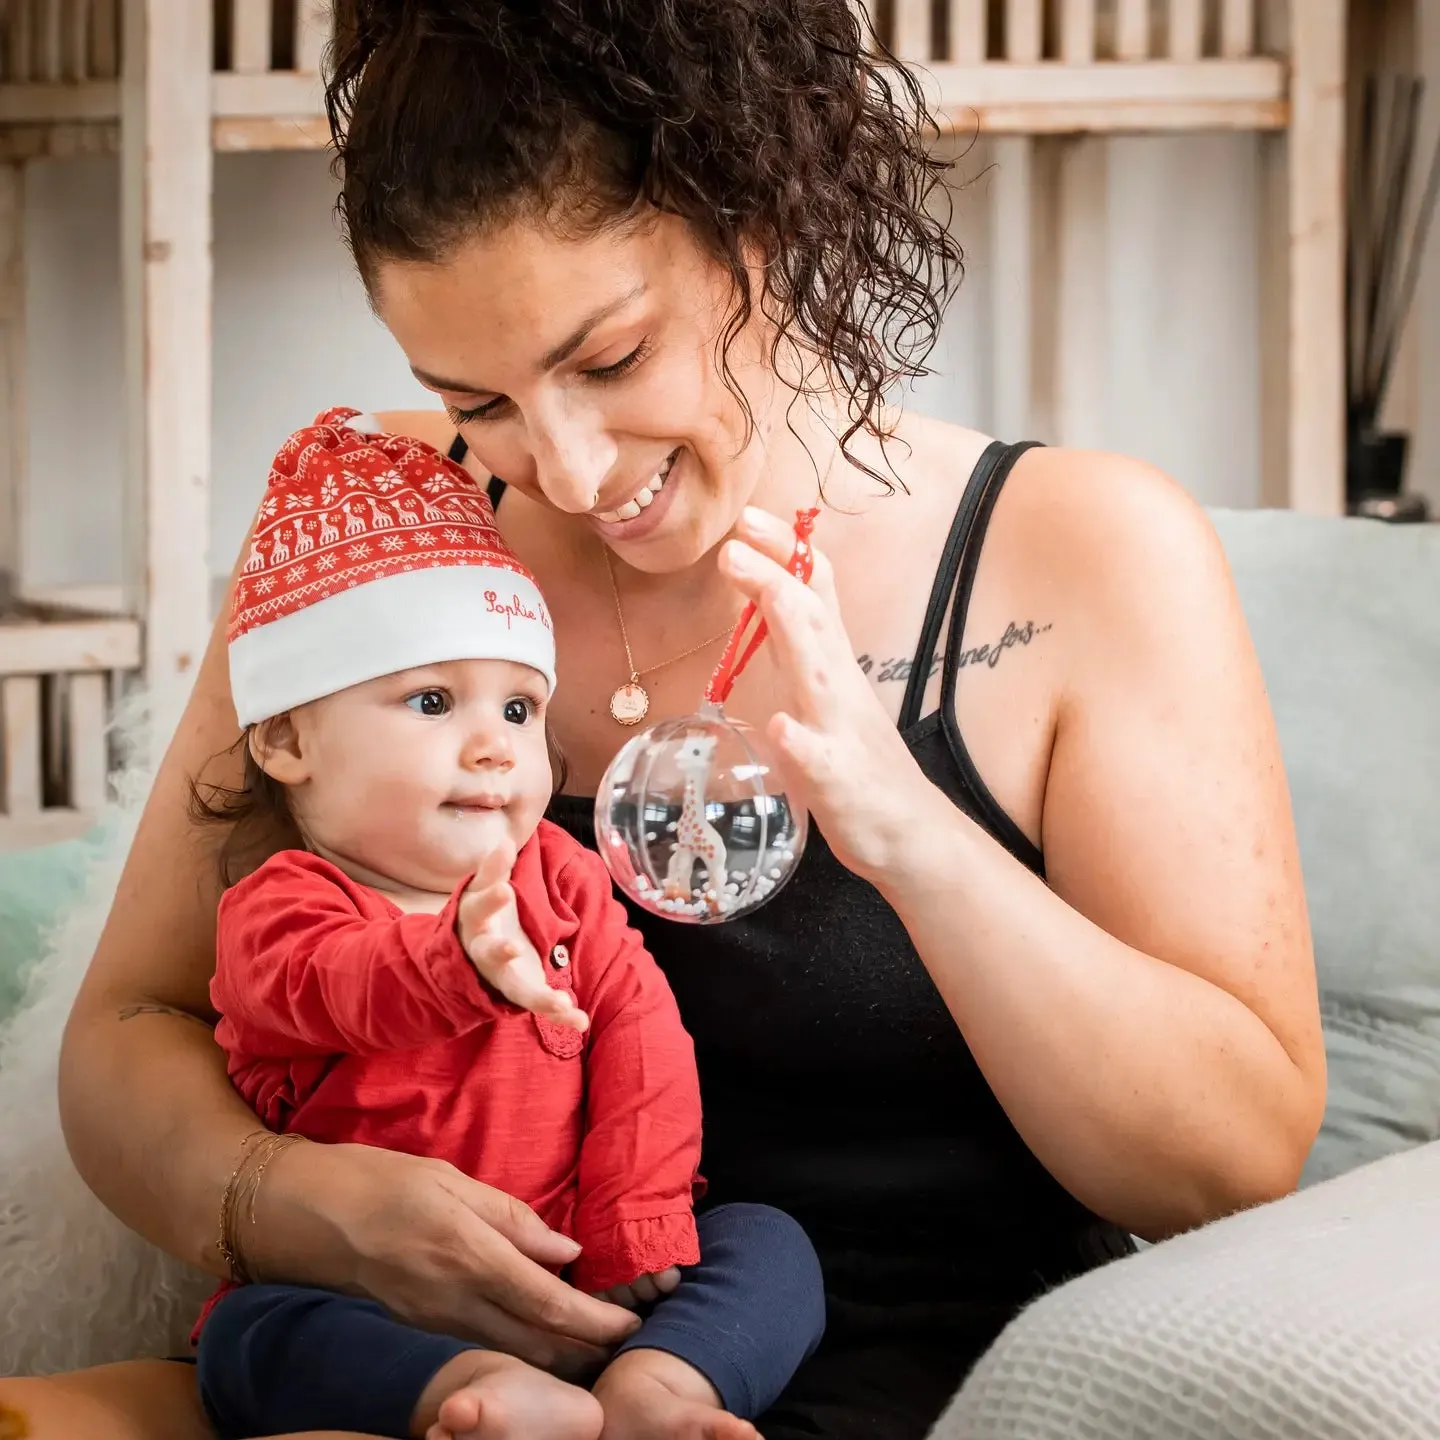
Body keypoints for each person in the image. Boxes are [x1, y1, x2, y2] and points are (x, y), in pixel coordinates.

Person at [2, 2, 1326, 1438]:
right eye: (476, 397)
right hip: (406, 1366)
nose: (561, 472)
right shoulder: (378, 520)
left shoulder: (1082, 552)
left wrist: (903, 832)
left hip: (854, 1372)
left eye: (611, 360)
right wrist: (297, 1207)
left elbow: (1231, 1160)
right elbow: (132, 1023)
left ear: (760, 213)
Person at [190, 410, 824, 1440]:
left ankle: (658, 1390)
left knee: (771, 1246)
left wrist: (637, 1220)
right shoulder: (280, 906)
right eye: (434, 702)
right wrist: (458, 959)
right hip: (379, 1296)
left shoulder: (561, 878)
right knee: (249, 1337)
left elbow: (641, 1036)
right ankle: (476, 1396)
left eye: (520, 711)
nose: (494, 747)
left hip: (589, 1265)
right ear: (286, 740)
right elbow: (340, 984)